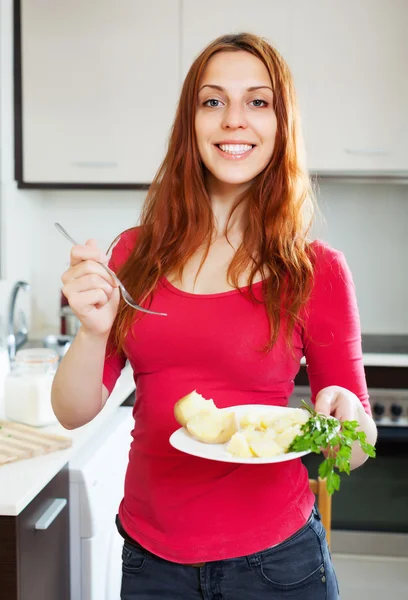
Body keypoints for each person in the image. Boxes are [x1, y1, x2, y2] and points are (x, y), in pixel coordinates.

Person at [52, 33, 377, 600]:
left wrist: (346, 416)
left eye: (258, 101)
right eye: (213, 101)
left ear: (281, 124)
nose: (234, 120)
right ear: (190, 122)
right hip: (153, 563)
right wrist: (91, 331)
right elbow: (72, 412)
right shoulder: (135, 254)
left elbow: (353, 449)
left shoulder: (316, 271)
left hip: (280, 565)